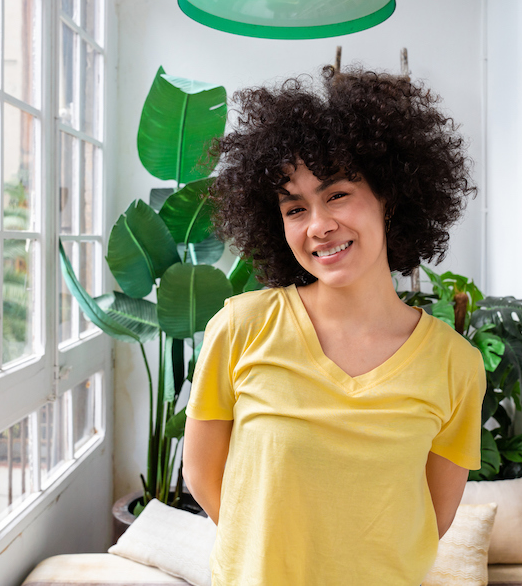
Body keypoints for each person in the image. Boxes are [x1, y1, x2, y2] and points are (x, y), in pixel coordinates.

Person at [182, 68, 486, 586]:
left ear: (391, 196)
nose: (318, 225)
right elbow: (205, 478)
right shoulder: (242, 327)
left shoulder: (456, 364)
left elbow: (432, 518)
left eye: (338, 194)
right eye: (295, 207)